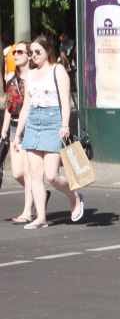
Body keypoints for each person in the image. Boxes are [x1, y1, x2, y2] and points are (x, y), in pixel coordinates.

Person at [14, 35, 83, 228]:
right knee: (35, 174)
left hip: (53, 122)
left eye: (37, 52)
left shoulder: (58, 70)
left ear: (47, 51)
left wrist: (65, 125)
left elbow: (64, 103)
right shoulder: (30, 75)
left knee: (52, 175)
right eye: (31, 52)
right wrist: (18, 134)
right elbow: (26, 107)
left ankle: (74, 195)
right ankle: (41, 218)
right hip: (34, 123)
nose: (33, 55)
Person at [3, 40, 35, 223]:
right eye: (14, 52)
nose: (16, 55)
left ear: (29, 55)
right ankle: (39, 193)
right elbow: (9, 106)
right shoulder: (10, 78)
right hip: (15, 126)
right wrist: (4, 131)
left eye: (20, 52)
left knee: (28, 171)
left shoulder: (35, 78)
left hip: (30, 125)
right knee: (16, 173)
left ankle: (27, 212)